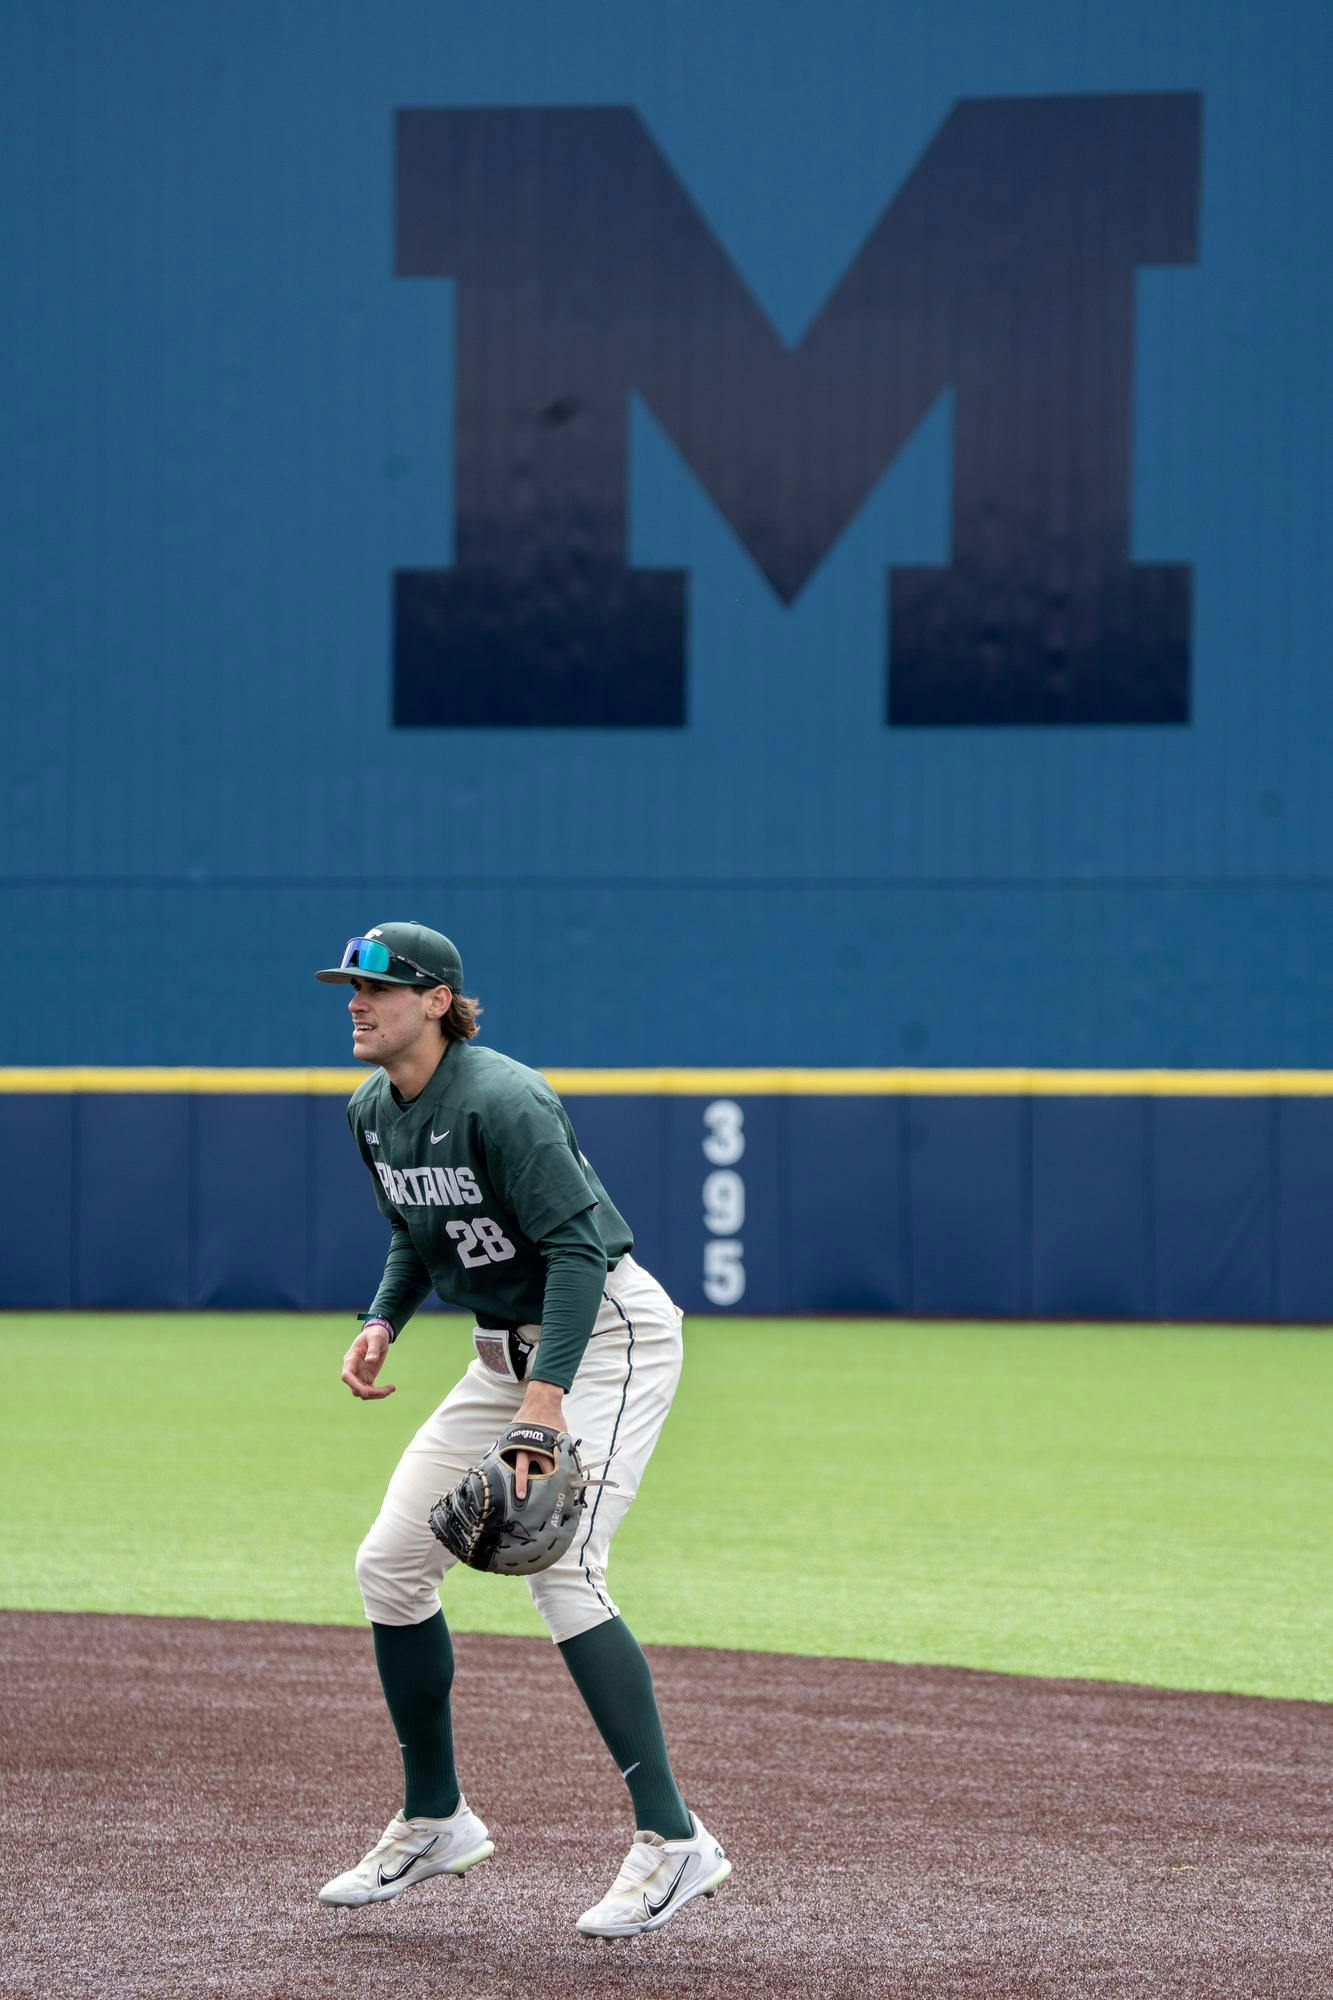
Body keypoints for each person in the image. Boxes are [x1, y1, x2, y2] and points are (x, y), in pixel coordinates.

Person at [312, 923, 731, 1937]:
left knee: (564, 1566)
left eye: (378, 987)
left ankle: (674, 1841)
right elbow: (418, 1233)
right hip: (502, 1354)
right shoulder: (375, 1108)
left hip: (607, 1341)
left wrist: (543, 1404)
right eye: (350, 987)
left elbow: (577, 1250)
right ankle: (433, 1816)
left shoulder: (503, 1098)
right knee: (390, 1564)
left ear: (438, 1000)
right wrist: (381, 1317)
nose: (356, 1002)